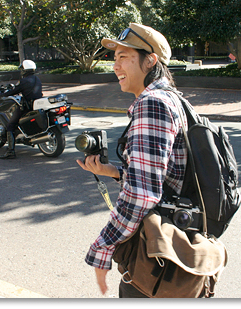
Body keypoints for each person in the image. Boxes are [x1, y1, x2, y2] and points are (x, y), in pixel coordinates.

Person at [76, 23, 188, 298]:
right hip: (174, 251)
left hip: (157, 258)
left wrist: (103, 247)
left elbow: (142, 194)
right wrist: (114, 171)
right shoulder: (174, 99)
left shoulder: (153, 103)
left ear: (150, 61)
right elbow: (160, 177)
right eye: (114, 58)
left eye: (123, 57)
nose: (115, 66)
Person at [0, 59, 43, 159]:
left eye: (22, 69)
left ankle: (11, 151)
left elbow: (13, 91)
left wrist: (2, 95)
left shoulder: (23, 81)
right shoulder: (37, 79)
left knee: (10, 125)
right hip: (37, 105)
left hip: (27, 107)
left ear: (24, 70)